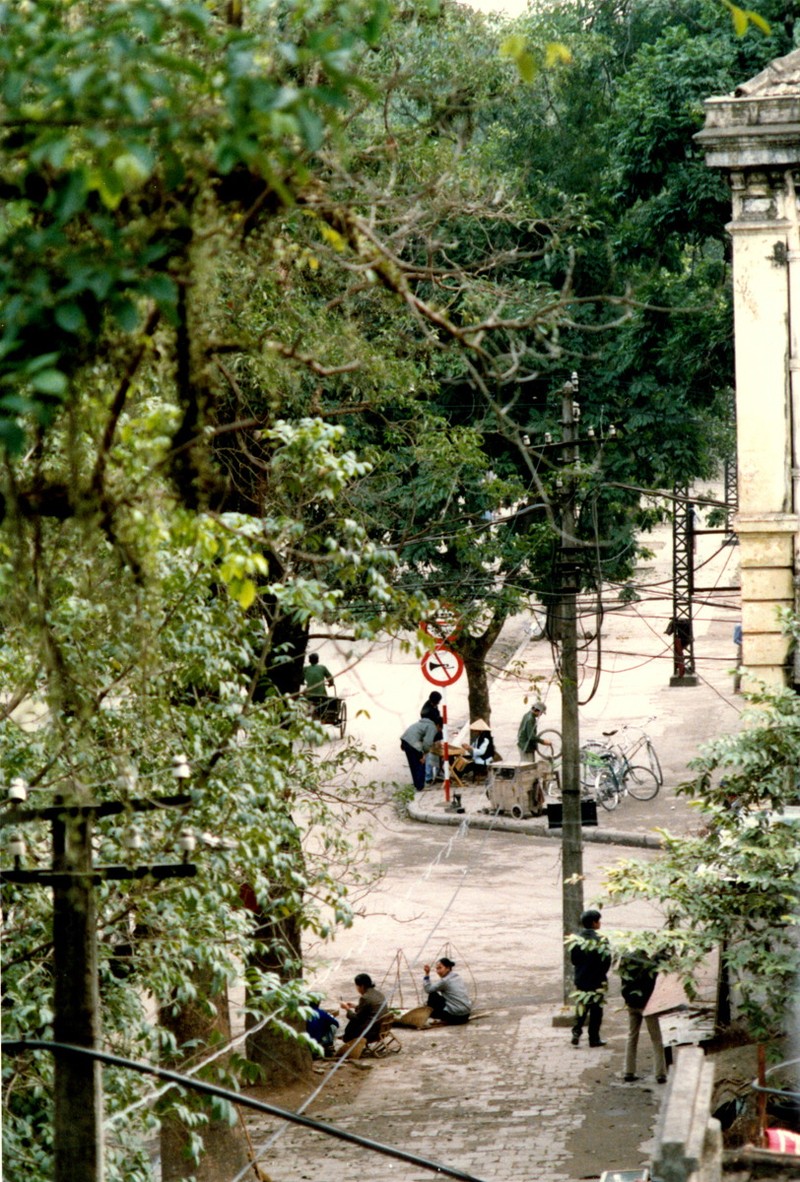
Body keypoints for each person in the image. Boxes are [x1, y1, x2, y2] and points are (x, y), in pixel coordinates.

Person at [619, 949, 667, 1083]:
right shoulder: (651, 966)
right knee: (656, 1039)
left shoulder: (626, 962)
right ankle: (660, 1073)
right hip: (647, 1005)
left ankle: (628, 1071)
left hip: (632, 1003)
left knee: (632, 1036)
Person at [570, 909, 611, 1048]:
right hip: (597, 980)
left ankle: (576, 1031)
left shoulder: (577, 939)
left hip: (581, 978)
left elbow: (574, 960)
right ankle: (594, 1038)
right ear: (594, 923)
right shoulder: (602, 940)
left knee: (581, 1005)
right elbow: (607, 961)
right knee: (596, 1010)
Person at [422, 957, 472, 1025]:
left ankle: (435, 1015)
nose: (438, 971)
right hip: (466, 1014)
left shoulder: (445, 981)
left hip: (456, 1016)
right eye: (437, 969)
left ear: (448, 968)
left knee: (433, 994)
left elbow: (428, 989)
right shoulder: (457, 977)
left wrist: (427, 974)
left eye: (440, 968)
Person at [341, 973, 387, 1044]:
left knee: (352, 1023)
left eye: (357, 986)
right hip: (382, 1027)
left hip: (372, 1031)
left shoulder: (365, 998)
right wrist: (355, 1006)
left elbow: (357, 1018)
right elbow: (368, 1009)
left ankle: (348, 1038)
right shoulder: (379, 993)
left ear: (361, 986)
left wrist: (347, 1009)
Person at [400, 715, 439, 792]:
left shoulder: (423, 723)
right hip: (413, 744)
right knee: (420, 763)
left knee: (413, 765)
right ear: (438, 725)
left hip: (406, 740)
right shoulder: (432, 727)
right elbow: (427, 743)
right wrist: (424, 754)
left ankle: (417, 785)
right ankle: (420, 786)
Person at [421, 691, 444, 784]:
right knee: (429, 755)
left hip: (436, 733)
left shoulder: (433, 706)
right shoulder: (426, 711)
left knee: (438, 754)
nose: (438, 703)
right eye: (438, 702)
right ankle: (428, 776)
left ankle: (439, 772)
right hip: (430, 735)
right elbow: (433, 721)